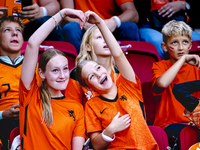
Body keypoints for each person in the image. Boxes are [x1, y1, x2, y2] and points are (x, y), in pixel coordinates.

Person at [76, 11, 158, 149]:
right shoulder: (91, 102)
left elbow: (118, 54)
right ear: (89, 85)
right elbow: (95, 143)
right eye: (91, 76)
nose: (97, 74)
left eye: (98, 68)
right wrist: (109, 131)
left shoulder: (126, 83)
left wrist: (101, 23)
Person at [19, 8, 86, 149]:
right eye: (55, 70)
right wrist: (62, 13)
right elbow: (32, 43)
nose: (62, 75)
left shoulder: (77, 108)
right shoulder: (30, 96)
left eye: (65, 69)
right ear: (42, 74)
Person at [151, 20, 200, 149]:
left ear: (190, 45)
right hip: (169, 124)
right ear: (165, 47)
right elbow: (162, 83)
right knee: (188, 133)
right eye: (174, 42)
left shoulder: (197, 69)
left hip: (195, 123)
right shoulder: (159, 66)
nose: (181, 47)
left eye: (185, 42)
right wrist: (183, 59)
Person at [59, 0, 140, 53]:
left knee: (130, 27)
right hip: (83, 26)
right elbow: (66, 15)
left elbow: (133, 14)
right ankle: (78, 70)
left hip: (110, 27)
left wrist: (114, 21)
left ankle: (130, 73)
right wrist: (85, 23)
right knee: (71, 28)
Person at [0, 16, 24, 150]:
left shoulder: (38, 68)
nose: (15, 33)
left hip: (34, 118)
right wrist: (3, 114)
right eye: (7, 30)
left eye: (18, 30)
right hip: (4, 122)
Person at [0, 0, 65, 41]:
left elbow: (54, 5)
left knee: (48, 22)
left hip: (29, 28)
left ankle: (58, 59)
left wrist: (41, 11)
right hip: (2, 28)